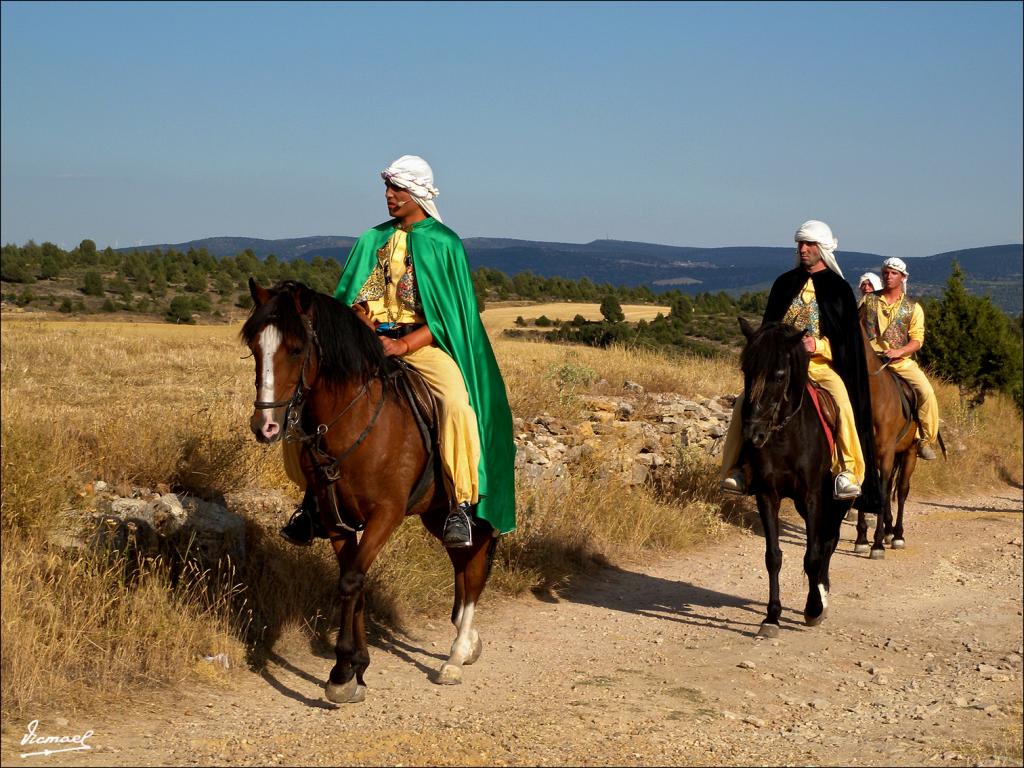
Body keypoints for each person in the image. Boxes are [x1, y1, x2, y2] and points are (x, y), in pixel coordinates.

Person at [280, 154, 516, 548]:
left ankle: (460, 504)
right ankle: (312, 502)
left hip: (422, 346)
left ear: (418, 193)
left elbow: (452, 317)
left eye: (398, 189)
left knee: (457, 404)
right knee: (307, 401)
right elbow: (351, 300)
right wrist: (364, 328)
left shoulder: (444, 244)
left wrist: (404, 343)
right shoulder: (372, 239)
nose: (390, 196)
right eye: (388, 188)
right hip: (368, 344)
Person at [720, 220, 882, 508]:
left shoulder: (838, 289)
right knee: (744, 403)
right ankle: (738, 470)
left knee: (842, 404)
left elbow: (848, 344)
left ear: (822, 249)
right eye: (800, 244)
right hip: (780, 370)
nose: (803, 249)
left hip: (819, 367)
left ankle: (848, 472)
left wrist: (817, 345)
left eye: (809, 244)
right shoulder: (785, 284)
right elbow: (769, 329)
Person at [860, 257, 940, 460]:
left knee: (927, 392)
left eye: (894, 273)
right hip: (870, 361)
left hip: (900, 362)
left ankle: (925, 439)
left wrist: (900, 352)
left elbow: (917, 340)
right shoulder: (867, 301)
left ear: (903, 277)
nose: (888, 276)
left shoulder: (913, 308)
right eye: (886, 272)